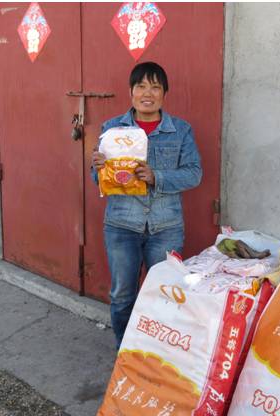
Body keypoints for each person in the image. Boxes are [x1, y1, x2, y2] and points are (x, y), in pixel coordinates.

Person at [91, 62, 202, 348]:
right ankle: (125, 351)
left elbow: (194, 173)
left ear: (165, 93)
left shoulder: (180, 130)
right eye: (141, 86)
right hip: (121, 225)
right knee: (122, 295)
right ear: (131, 92)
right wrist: (98, 167)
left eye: (155, 87)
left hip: (166, 228)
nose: (147, 94)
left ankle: (155, 354)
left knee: (165, 295)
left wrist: (157, 177)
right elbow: (98, 179)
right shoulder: (112, 129)